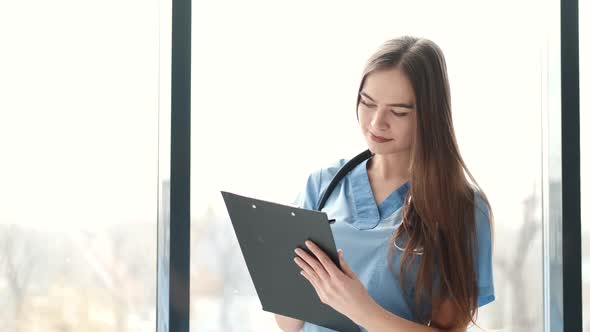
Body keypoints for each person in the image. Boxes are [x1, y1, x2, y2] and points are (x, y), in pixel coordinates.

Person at [274, 36, 495, 332]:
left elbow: (451, 328)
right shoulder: (321, 186)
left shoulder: (463, 208)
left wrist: (362, 310)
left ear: (429, 116)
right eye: (368, 103)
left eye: (398, 111)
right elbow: (289, 323)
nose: (377, 122)